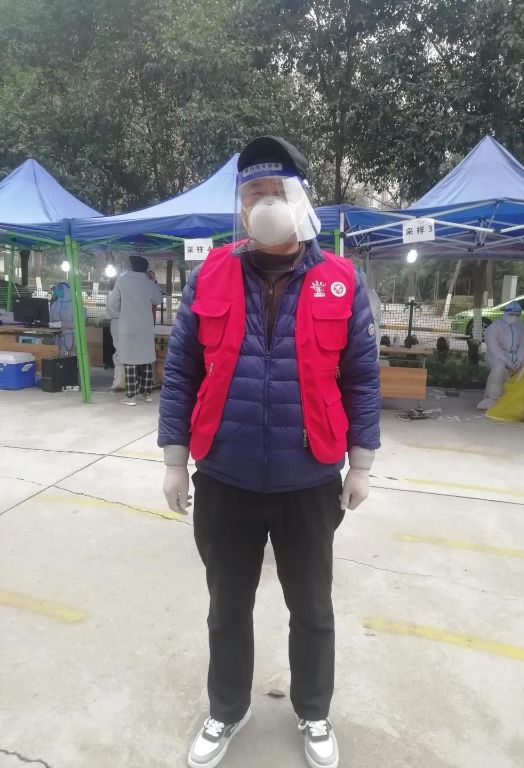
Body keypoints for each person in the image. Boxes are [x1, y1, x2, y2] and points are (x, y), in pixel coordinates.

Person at [158, 136, 381, 768]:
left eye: (274, 191)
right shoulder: (211, 273)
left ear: (300, 199)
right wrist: (174, 459)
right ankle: (228, 708)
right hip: (224, 475)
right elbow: (180, 372)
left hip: (307, 478)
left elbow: (363, 380)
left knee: (311, 606)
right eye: (251, 192)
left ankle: (313, 710)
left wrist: (361, 463)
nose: (262, 203)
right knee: (226, 605)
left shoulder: (341, 280)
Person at [106, 254, 163, 406]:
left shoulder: (122, 280)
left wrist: (121, 311)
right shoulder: (149, 283)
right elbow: (158, 299)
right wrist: (153, 282)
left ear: (130, 267)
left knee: (129, 361)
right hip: (145, 327)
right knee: (146, 360)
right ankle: (146, 393)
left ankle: (131, 397)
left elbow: (113, 302)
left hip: (128, 326)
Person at [477, 301, 524, 409]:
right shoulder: (495, 327)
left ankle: (517, 397)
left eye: (517, 315)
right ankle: (492, 398)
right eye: (512, 314)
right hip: (495, 355)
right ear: (506, 313)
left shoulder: (521, 327)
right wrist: (506, 360)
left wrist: (520, 359)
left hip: (515, 356)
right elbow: (493, 347)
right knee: (499, 367)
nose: (514, 317)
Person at [49, 281, 75, 356]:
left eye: (60, 288)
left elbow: (78, 324)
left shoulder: (75, 306)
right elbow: (50, 320)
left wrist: (63, 325)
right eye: (57, 289)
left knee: (71, 356)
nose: (58, 290)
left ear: (67, 290)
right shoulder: (55, 304)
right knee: (58, 356)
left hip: (70, 336)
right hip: (57, 337)